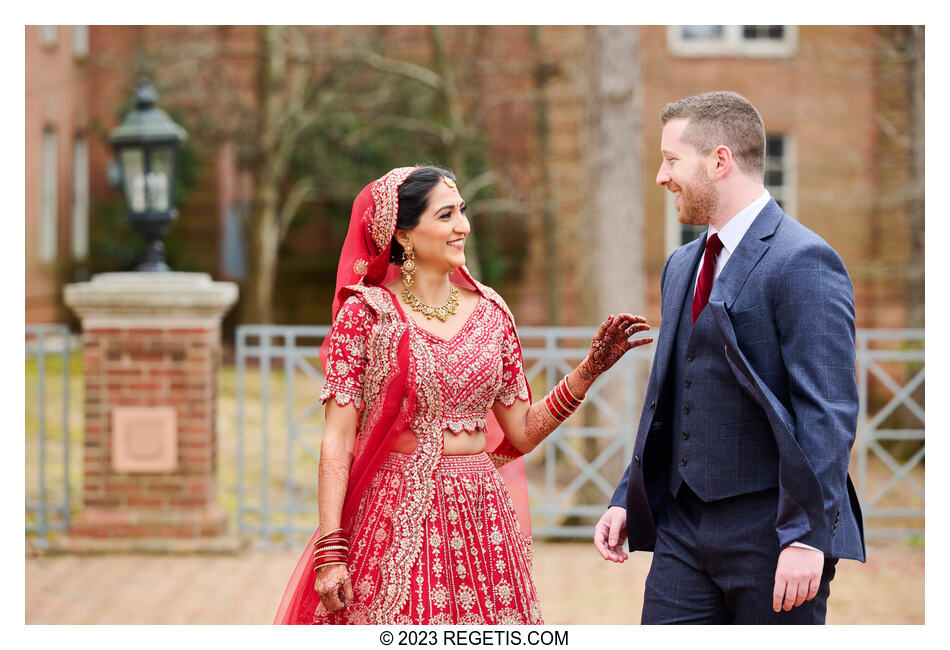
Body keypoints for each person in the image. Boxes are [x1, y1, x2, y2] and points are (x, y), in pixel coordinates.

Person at [275, 166, 653, 625]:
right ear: (404, 234)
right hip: (396, 516)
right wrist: (331, 549)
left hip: (481, 519)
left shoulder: (492, 313)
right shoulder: (367, 315)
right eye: (447, 215)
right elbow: (338, 440)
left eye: (463, 212)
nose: (463, 227)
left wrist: (588, 371)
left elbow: (522, 431)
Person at [594, 91, 866, 624]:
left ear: (719, 160)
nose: (661, 176)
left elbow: (828, 410)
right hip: (681, 528)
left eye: (672, 159)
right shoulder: (681, 264)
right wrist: (629, 495)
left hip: (773, 533)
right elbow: (668, 396)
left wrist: (808, 539)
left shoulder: (804, 259)